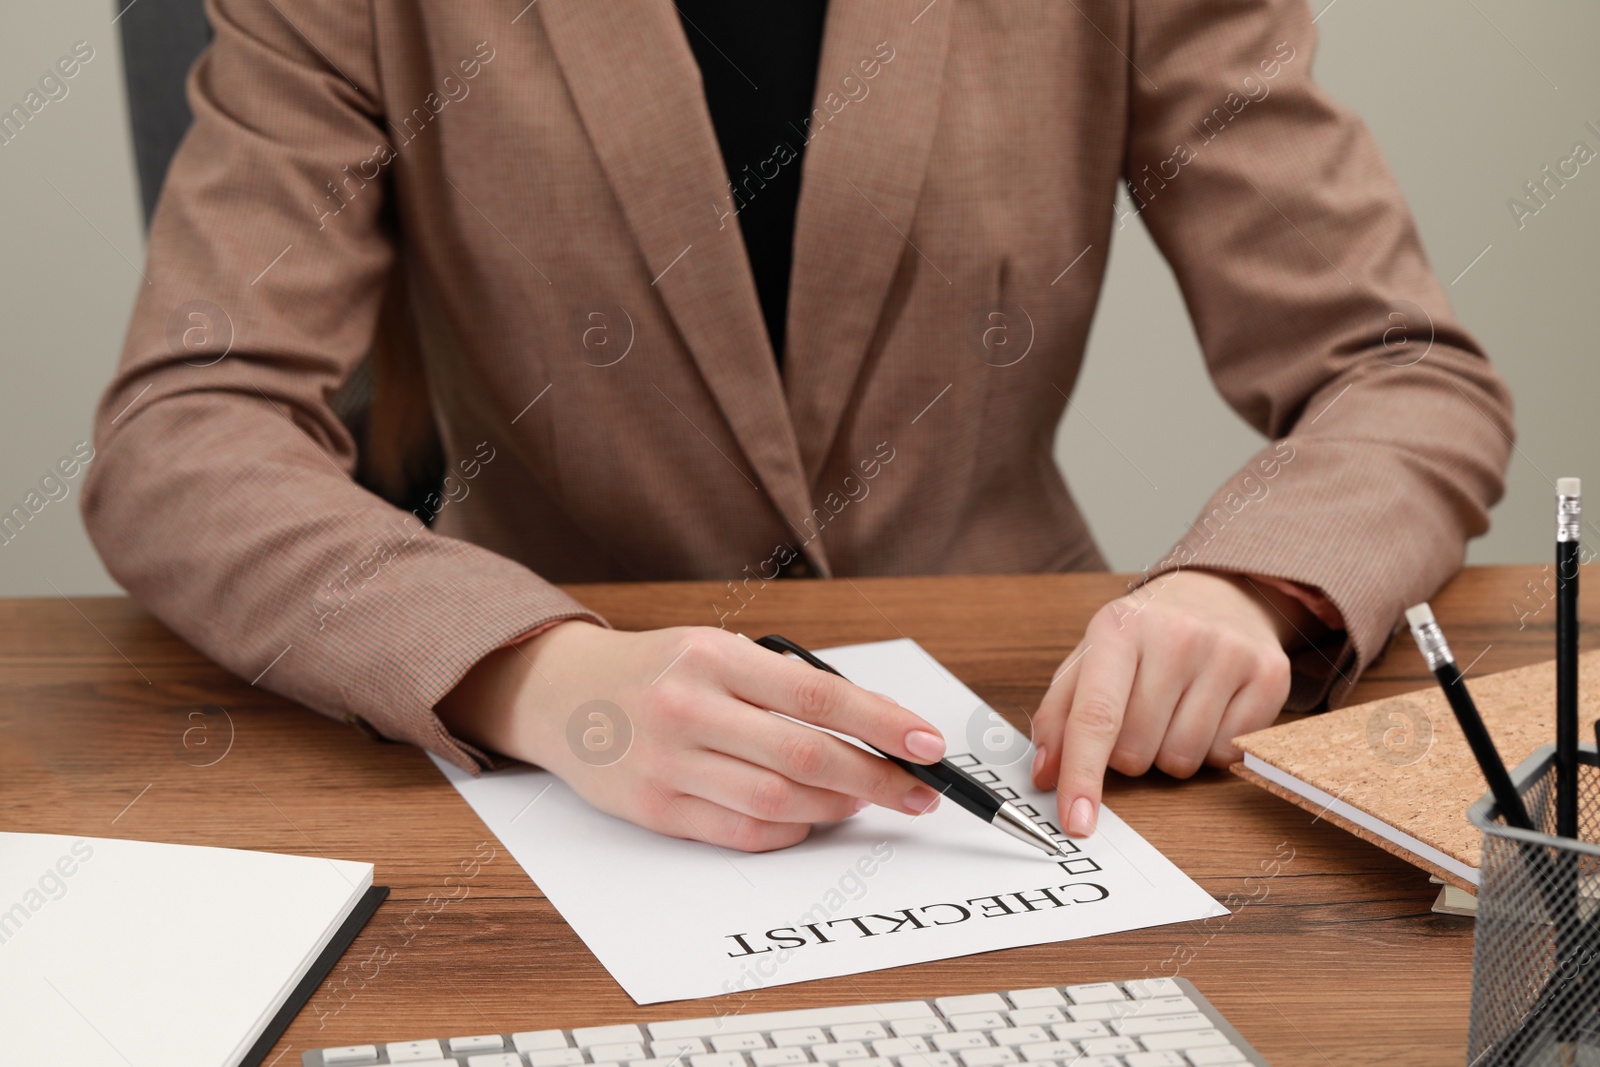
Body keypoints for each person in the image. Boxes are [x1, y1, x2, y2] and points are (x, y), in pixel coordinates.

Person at [85, 0, 1512, 852]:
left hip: (1027, 741)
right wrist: (535, 676)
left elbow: (1399, 367)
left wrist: (1245, 589)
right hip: (553, 774)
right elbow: (186, 428)